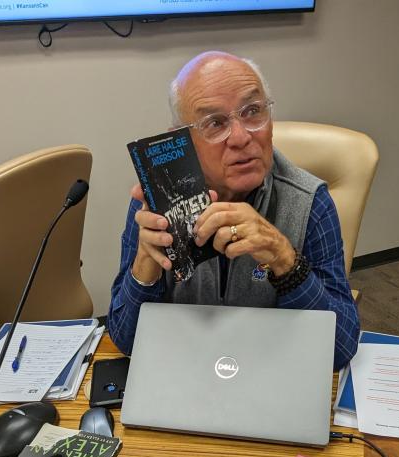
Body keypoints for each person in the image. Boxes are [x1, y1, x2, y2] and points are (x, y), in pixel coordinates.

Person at [108, 51, 360, 370]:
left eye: (253, 111)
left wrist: (282, 255)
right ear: (181, 139)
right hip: (184, 370)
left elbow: (340, 350)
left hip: (273, 368)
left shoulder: (310, 201)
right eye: (215, 123)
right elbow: (126, 340)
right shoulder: (154, 203)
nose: (241, 137)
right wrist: (148, 260)